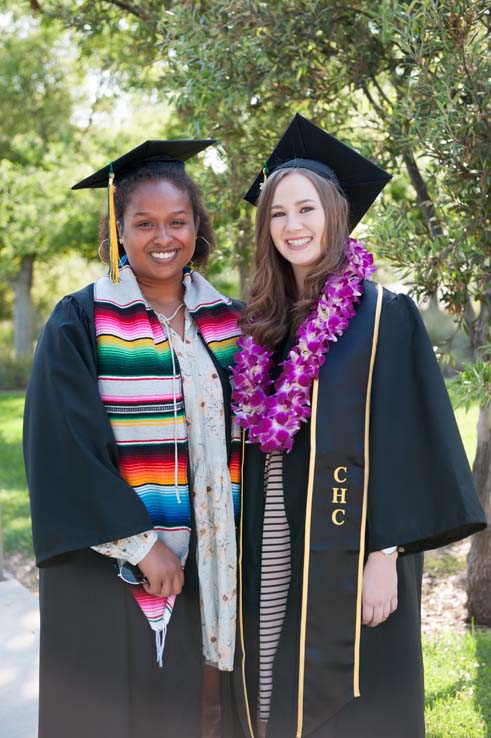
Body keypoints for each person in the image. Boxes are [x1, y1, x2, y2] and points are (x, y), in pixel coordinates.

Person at [230, 114, 486, 738]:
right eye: (278, 214)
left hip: (354, 548)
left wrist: (384, 556)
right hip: (269, 539)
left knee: (353, 703)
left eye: (306, 209)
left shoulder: (383, 316)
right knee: (266, 685)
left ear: (336, 215)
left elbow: (409, 440)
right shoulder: (261, 324)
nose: (293, 226)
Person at [23, 139, 245, 738]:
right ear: (117, 231)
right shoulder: (83, 320)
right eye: (143, 223)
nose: (163, 237)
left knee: (205, 712)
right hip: (119, 566)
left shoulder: (233, 321)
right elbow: (62, 444)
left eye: (178, 221)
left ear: (198, 226)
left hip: (217, 561)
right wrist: (141, 544)